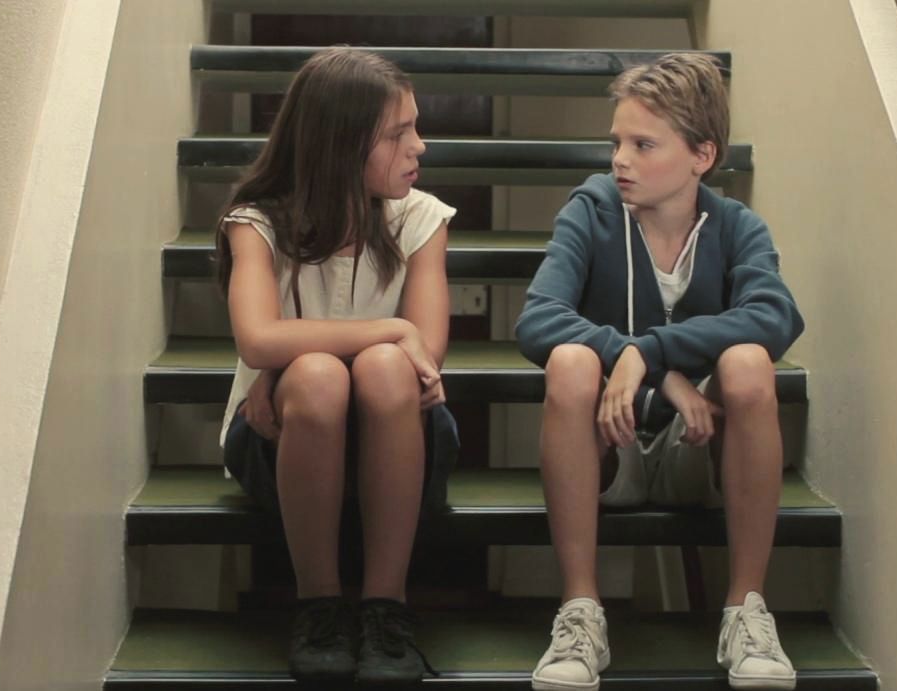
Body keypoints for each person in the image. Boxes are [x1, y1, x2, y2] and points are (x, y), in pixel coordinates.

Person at [515, 52, 805, 691]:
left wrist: (651, 351)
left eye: (644, 144)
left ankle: (746, 614)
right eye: (616, 141)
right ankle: (581, 614)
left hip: (695, 449)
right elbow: (537, 319)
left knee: (750, 363)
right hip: (609, 442)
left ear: (702, 155)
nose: (620, 159)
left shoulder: (735, 227)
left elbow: (777, 316)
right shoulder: (591, 210)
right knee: (568, 361)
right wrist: (634, 359)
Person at [214, 47, 457, 686]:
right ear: (341, 144)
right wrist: (387, 328)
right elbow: (256, 340)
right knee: (321, 375)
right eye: (399, 134)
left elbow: (422, 356)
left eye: (416, 128)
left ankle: (386, 607)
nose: (420, 148)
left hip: (404, 435)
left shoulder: (421, 219)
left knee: (382, 368)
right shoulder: (256, 222)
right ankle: (319, 605)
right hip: (279, 439)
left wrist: (300, 355)